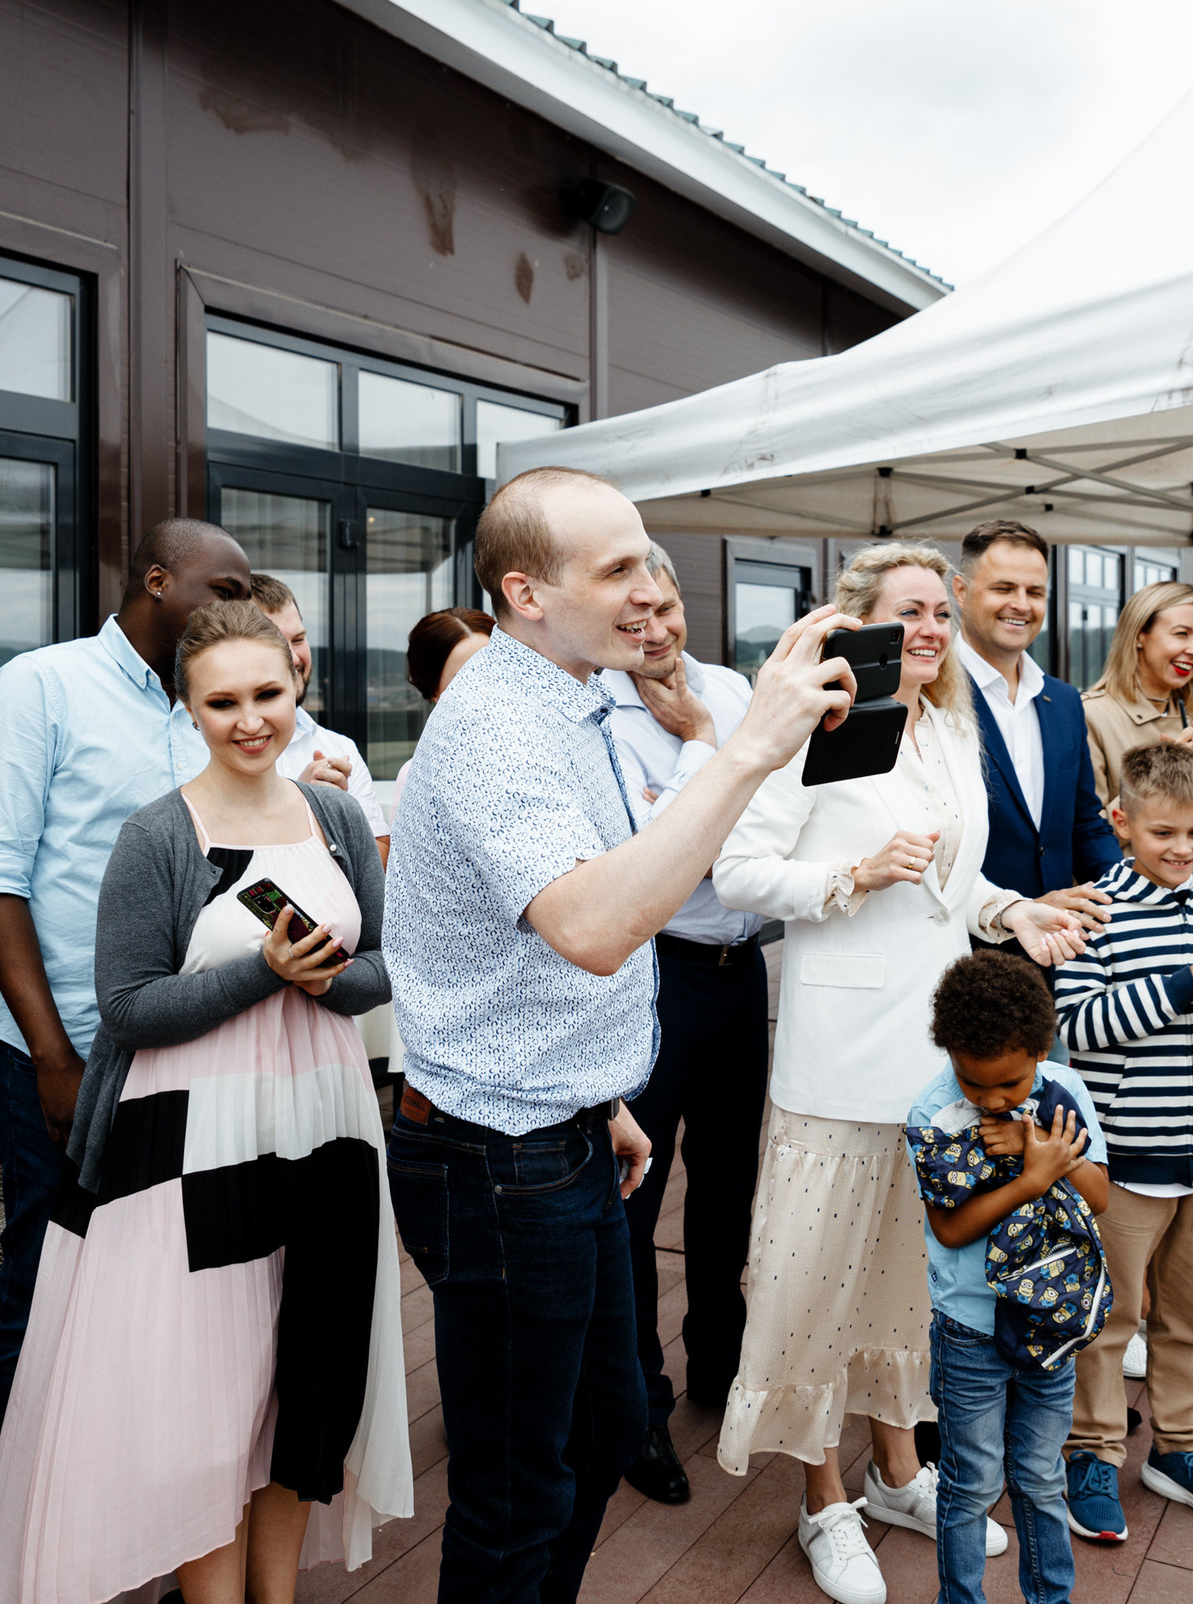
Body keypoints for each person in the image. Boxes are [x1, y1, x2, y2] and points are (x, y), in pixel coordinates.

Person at [383, 466, 864, 1604]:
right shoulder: (495, 722)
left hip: (564, 1127)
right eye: (616, 569)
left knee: (600, 1436)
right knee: (517, 1491)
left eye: (648, 557)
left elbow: (600, 896)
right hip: (495, 1156)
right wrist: (745, 747)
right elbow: (595, 928)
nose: (650, 587)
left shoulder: (577, 696)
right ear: (526, 594)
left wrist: (600, 1096)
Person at [0, 600, 409, 1604]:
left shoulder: (338, 817)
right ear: (188, 709)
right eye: (222, 702)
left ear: (297, 687)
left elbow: (384, 971)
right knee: (206, 1402)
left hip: (330, 1127)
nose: (250, 720)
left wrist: (323, 979)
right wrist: (264, 971)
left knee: (309, 1375)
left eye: (268, 693)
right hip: (193, 1143)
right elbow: (127, 1006)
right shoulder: (158, 834)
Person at [711, 540, 1080, 1604]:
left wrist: (1015, 911)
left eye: (936, 612)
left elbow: (957, 885)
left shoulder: (950, 729)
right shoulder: (816, 730)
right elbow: (737, 873)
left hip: (932, 1056)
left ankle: (896, 1474)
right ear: (859, 623)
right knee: (815, 1288)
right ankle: (822, 1499)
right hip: (836, 1062)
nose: (928, 629)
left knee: (908, 1281)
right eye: (907, 611)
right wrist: (854, 874)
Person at [0, 517, 255, 1526]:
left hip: (196, 1053)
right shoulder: (41, 686)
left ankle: (127, 1533)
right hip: (73, 1056)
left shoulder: (207, 708)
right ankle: (9, 1547)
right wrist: (52, 1055)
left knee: (165, 1304)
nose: (239, 606)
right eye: (224, 586)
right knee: (46, 1296)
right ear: (158, 580)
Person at [1050, 743, 1193, 1543]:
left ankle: (1183, 1447)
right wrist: (1182, 983)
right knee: (1110, 1316)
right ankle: (1092, 1449)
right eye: (1164, 832)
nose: (1183, 848)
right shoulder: (1094, 912)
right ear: (1121, 822)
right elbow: (1082, 1027)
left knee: (1188, 1319)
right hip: (1126, 1157)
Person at [595, 543, 770, 1508]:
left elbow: (771, 820)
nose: (655, 628)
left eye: (666, 608)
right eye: (636, 614)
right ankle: (639, 1406)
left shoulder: (733, 690)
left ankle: (719, 1360)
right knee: (635, 1190)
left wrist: (709, 767)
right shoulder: (598, 708)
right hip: (655, 969)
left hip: (742, 968)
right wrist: (708, 763)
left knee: (728, 1180)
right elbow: (658, 851)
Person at [907, 950, 1108, 1604]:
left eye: (1011, 1084)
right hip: (970, 1327)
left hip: (1050, 1321)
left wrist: (1034, 1149)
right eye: (974, 1083)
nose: (993, 1099)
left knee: (1042, 1475)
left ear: (1041, 1051)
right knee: (971, 1482)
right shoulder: (935, 1113)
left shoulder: (1065, 1093)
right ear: (950, 1054)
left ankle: (1050, 1596)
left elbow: (1100, 1195)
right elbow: (951, 1229)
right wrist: (1029, 1181)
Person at [950, 520, 1124, 927]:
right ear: (961, 591)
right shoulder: (930, 697)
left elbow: (1084, 824)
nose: (1021, 604)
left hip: (1058, 946)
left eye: (1035, 592)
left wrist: (1130, 890)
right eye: (1004, 588)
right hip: (967, 943)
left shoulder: (1064, 701)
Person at [1080, 581, 1193, 862]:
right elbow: (1085, 838)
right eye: (1181, 634)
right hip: (1120, 887)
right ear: (1139, 635)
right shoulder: (1091, 715)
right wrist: (1160, 776)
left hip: (1187, 886)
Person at [250, 572, 389, 860]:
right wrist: (304, 802)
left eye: (298, 639)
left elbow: (380, 857)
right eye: (275, 642)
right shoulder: (208, 746)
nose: (294, 658)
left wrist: (337, 815)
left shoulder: (339, 747)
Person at [391, 606, 492, 803]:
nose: (485, 687)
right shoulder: (419, 777)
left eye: (493, 671)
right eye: (465, 678)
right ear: (434, 690)